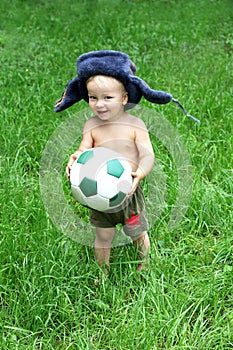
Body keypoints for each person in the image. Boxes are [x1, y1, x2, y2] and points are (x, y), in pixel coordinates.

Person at [54, 50, 198, 280]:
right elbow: (84, 149)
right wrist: (76, 157)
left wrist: (140, 173)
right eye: (93, 98)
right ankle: (103, 271)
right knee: (103, 236)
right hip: (98, 196)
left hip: (129, 193)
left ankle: (145, 263)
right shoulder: (91, 126)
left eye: (107, 98)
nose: (100, 104)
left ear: (124, 97)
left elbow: (147, 155)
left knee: (137, 232)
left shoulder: (135, 125)